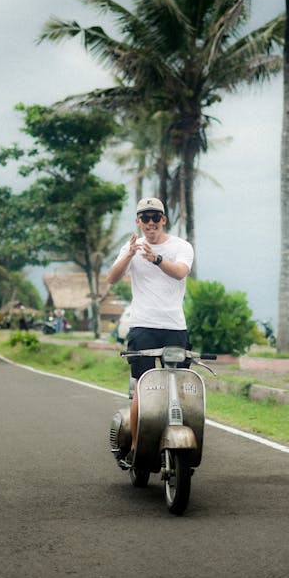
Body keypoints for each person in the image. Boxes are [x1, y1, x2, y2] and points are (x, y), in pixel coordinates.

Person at [106, 197, 194, 463]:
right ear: (138, 222)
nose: (151, 222)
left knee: (179, 387)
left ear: (164, 219)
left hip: (174, 327)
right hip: (142, 326)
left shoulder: (181, 246)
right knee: (142, 388)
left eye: (156, 217)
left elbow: (180, 272)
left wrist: (155, 259)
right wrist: (131, 254)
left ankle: (179, 437)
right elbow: (112, 277)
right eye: (145, 218)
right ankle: (134, 448)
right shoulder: (131, 247)